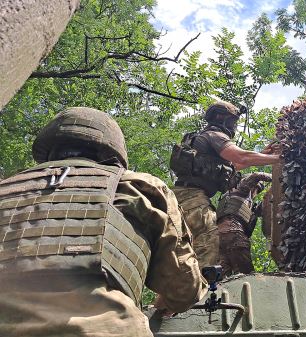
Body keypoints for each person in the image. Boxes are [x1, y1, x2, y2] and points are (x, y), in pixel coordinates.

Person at [0, 107, 207, 337]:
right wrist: (169, 301)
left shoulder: (5, 188)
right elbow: (183, 289)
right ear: (112, 149)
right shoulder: (138, 187)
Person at [169, 101, 280, 268]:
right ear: (221, 118)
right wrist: (282, 159)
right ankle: (199, 291)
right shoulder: (215, 135)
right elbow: (241, 157)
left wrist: (262, 154)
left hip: (182, 196)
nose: (234, 126)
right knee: (208, 246)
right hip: (192, 198)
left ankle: (180, 289)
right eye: (233, 121)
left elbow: (232, 167)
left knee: (184, 252)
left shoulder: (202, 137)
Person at [217, 172, 272, 276]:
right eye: (257, 189)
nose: (256, 193)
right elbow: (256, 175)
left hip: (218, 238)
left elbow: (262, 210)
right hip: (234, 234)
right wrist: (277, 178)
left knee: (223, 278)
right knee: (246, 276)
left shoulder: (235, 199)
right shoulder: (242, 189)